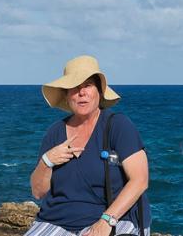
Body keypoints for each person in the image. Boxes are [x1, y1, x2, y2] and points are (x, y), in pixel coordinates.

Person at [25, 55, 151, 236]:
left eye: (87, 86)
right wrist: (47, 160)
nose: (81, 92)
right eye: (74, 88)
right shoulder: (55, 132)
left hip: (115, 218)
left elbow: (140, 180)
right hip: (56, 222)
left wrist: (107, 220)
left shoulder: (118, 125)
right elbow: (38, 192)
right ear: (67, 96)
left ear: (99, 92)